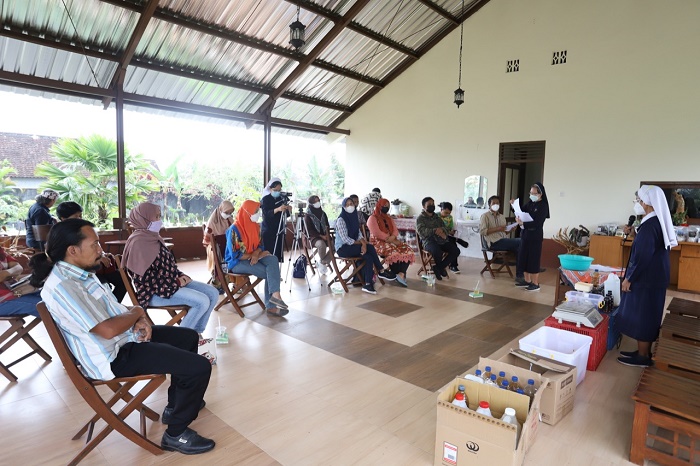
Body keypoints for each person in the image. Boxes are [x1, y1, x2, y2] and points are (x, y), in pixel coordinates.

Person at [29, 218, 215, 455]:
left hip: (124, 339)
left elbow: (114, 310)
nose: (101, 250)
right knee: (198, 367)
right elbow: (107, 330)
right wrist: (138, 312)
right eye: (95, 244)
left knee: (187, 337)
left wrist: (139, 319)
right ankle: (176, 434)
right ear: (72, 250)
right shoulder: (65, 285)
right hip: (113, 356)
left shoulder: (81, 273)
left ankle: (175, 406)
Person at [122, 203, 218, 334]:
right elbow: (146, 281)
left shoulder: (154, 237)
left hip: (170, 284)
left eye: (159, 216)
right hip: (154, 293)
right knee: (202, 301)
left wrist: (181, 276)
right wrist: (177, 283)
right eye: (156, 217)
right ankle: (182, 339)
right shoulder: (138, 243)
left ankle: (196, 333)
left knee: (213, 293)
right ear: (144, 219)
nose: (159, 220)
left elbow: (169, 266)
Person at [616, 185, 677, 368]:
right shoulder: (653, 222)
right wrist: (635, 233)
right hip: (653, 277)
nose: (637, 204)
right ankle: (643, 352)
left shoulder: (650, 226)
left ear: (648, 204)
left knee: (643, 315)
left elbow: (642, 257)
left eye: (639, 200)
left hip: (647, 279)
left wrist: (629, 279)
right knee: (647, 314)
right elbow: (645, 248)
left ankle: (643, 357)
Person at [224, 200, 289, 316]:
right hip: (237, 262)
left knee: (273, 259)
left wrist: (257, 253)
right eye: (255, 211)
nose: (257, 214)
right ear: (247, 213)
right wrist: (254, 255)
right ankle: (271, 306)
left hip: (253, 256)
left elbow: (260, 246)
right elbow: (236, 254)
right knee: (269, 272)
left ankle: (275, 295)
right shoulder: (234, 230)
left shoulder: (255, 227)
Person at [55, 201, 127, 302]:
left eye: (80, 216)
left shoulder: (84, 229)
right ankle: (107, 307)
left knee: (123, 281)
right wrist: (98, 257)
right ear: (63, 218)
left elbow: (95, 245)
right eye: (76, 216)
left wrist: (102, 254)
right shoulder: (60, 235)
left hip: (96, 266)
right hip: (83, 270)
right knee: (104, 287)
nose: (80, 219)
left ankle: (114, 305)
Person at [335, 197, 396, 294]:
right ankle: (381, 270)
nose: (350, 206)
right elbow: (346, 239)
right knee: (370, 247)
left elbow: (359, 234)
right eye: (347, 204)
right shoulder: (341, 220)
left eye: (351, 204)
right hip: (343, 248)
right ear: (343, 207)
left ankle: (368, 284)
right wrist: (362, 244)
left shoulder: (354, 217)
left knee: (368, 257)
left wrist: (363, 243)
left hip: (354, 247)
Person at [367, 198, 415, 287]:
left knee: (407, 249)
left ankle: (400, 274)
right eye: (384, 206)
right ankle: (397, 274)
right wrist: (389, 239)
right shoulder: (372, 218)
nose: (386, 208)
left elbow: (395, 230)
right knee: (393, 251)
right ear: (379, 206)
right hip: (377, 243)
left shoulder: (389, 218)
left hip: (391, 240)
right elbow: (376, 232)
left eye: (388, 206)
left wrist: (392, 238)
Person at [510, 182, 549, 291]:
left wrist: (524, 224)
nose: (531, 195)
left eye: (534, 193)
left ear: (540, 194)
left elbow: (538, 222)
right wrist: (514, 206)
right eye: (530, 193)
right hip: (525, 234)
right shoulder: (530, 203)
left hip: (535, 235)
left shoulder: (543, 206)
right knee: (523, 256)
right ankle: (527, 280)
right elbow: (521, 211)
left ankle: (535, 283)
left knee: (533, 258)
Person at [479, 195, 525, 285]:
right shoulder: (485, 216)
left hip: (502, 240)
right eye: (493, 203)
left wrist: (510, 230)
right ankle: (521, 274)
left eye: (497, 203)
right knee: (521, 241)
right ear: (489, 205)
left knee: (521, 247)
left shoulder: (502, 217)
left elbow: (504, 232)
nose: (496, 205)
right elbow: (483, 231)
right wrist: (498, 228)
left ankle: (520, 275)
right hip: (493, 242)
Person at [416, 197, 460, 280]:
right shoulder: (420, 218)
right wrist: (435, 230)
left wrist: (443, 232)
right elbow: (421, 231)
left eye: (433, 204)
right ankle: (440, 269)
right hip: (429, 241)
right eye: (429, 205)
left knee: (456, 251)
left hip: (441, 240)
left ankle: (438, 267)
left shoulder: (437, 218)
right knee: (437, 251)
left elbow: (446, 228)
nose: (432, 206)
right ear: (423, 206)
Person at [0, 246, 41, 317]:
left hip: (14, 291)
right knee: (45, 306)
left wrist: (7, 272)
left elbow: (18, 268)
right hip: (3, 301)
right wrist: (10, 273)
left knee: (50, 296)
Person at [260, 178, 293, 262]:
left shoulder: (282, 198)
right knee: (269, 252)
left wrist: (289, 210)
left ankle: (277, 271)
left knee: (278, 252)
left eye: (279, 190)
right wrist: (278, 209)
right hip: (268, 229)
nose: (277, 192)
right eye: (275, 190)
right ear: (270, 189)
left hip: (279, 227)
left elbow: (286, 215)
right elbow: (266, 214)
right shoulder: (265, 199)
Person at [202, 200, 235, 279]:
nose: (228, 215)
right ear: (221, 210)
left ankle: (234, 280)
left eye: (230, 213)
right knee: (223, 253)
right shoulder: (213, 221)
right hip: (213, 247)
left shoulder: (230, 220)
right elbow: (208, 240)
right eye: (226, 212)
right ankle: (221, 277)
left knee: (236, 252)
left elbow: (234, 233)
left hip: (227, 245)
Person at [304, 195, 332, 275]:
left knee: (336, 244)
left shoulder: (323, 213)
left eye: (318, 200)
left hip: (324, 235)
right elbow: (308, 230)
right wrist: (320, 236)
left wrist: (327, 234)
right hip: (313, 237)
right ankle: (323, 263)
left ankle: (323, 262)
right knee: (321, 244)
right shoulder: (308, 215)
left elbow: (327, 225)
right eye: (315, 201)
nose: (318, 203)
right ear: (311, 204)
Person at [438, 201, 469, 273]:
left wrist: (451, 231)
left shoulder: (450, 217)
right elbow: (439, 230)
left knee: (453, 245)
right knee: (453, 243)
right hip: (438, 238)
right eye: (446, 213)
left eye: (449, 213)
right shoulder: (436, 217)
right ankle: (453, 266)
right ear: (441, 210)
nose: (447, 215)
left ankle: (453, 265)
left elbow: (451, 228)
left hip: (447, 237)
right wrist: (447, 231)